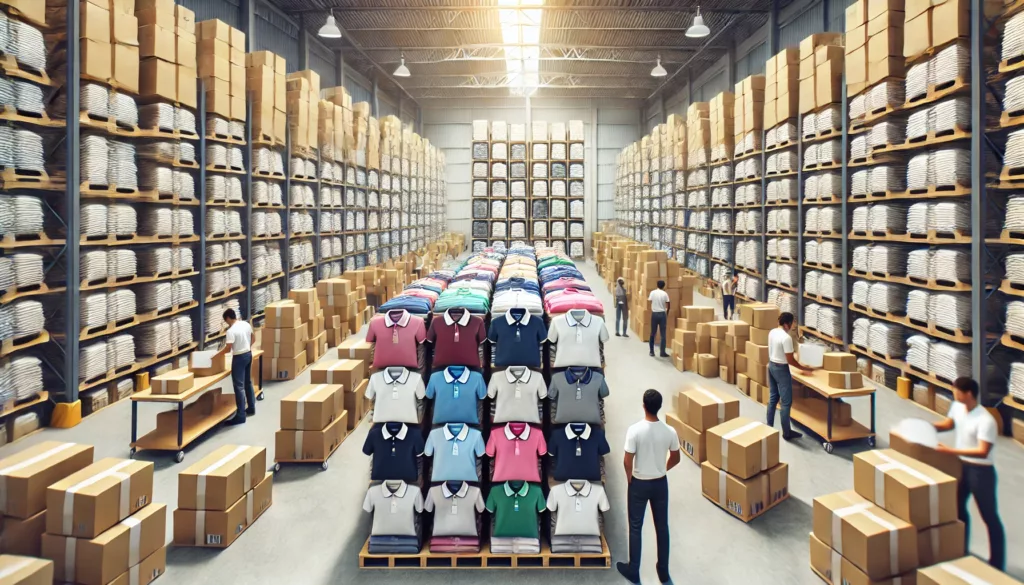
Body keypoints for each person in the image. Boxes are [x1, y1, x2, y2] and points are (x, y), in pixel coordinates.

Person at [933, 377, 1005, 570]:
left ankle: (997, 564)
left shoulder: (985, 420)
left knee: (989, 516)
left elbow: (983, 451)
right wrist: (927, 427)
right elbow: (949, 424)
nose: (953, 394)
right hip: (961, 467)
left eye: (956, 391)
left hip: (981, 472)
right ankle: (961, 549)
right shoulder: (957, 407)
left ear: (968, 394)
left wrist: (950, 451)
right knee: (957, 509)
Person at [618, 389, 681, 585]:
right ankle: (663, 572)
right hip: (660, 483)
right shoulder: (669, 431)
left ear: (643, 405)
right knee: (662, 527)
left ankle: (633, 570)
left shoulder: (635, 430)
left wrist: (630, 478)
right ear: (659, 407)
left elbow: (627, 461)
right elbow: (676, 457)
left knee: (636, 527)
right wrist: (662, 468)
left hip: (638, 483)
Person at [767, 312, 813, 441]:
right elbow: (790, 360)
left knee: (773, 398)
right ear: (787, 324)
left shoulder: (772, 332)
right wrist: (804, 369)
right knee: (786, 403)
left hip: (771, 365)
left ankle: (768, 427)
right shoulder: (786, 338)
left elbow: (772, 350)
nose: (793, 326)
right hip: (781, 369)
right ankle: (787, 433)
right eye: (792, 323)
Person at [215, 308, 256, 425]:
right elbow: (253, 338)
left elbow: (228, 348)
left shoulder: (231, 331)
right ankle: (251, 408)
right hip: (248, 354)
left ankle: (240, 415)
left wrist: (216, 356)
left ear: (228, 318)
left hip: (239, 358)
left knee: (239, 387)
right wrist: (246, 347)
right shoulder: (246, 324)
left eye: (225, 321)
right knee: (247, 382)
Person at [648, 280, 670, 358]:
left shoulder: (652, 292)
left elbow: (649, 301)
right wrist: (666, 314)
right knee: (663, 334)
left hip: (654, 314)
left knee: (653, 333)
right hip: (662, 314)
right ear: (663, 286)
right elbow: (668, 304)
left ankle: (651, 351)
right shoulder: (665, 294)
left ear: (657, 285)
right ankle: (662, 352)